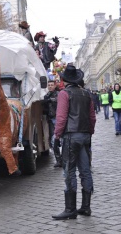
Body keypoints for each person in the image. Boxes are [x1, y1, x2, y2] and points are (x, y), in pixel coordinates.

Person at [52, 65, 96, 220]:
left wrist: (57, 135)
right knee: (85, 170)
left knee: (69, 171)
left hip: (71, 136)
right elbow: (92, 117)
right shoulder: (86, 93)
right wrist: (89, 132)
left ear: (64, 80)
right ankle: (86, 207)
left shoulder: (64, 94)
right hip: (85, 136)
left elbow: (62, 117)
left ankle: (70, 209)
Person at [43, 80, 61, 167]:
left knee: (58, 140)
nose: (50, 86)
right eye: (48, 85)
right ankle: (59, 159)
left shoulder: (58, 93)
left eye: (51, 85)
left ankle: (63, 159)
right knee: (53, 141)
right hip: (50, 120)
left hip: (58, 119)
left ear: (54, 86)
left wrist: (49, 100)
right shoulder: (46, 95)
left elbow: (57, 100)